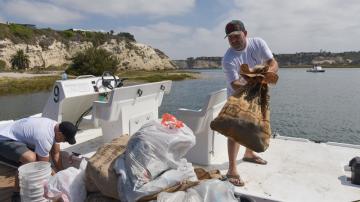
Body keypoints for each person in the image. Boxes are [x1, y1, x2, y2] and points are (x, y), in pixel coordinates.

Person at [222, 20, 279, 186]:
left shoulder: (258, 43)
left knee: (255, 124)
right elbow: (234, 84)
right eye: (230, 37)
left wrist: (267, 74)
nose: (234, 40)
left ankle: (249, 154)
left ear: (245, 33)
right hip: (237, 94)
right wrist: (255, 82)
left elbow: (273, 62)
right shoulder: (228, 59)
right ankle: (232, 170)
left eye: (237, 36)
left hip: (258, 90)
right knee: (234, 131)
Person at [0, 117, 77, 201]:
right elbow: (43, 166)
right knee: (31, 159)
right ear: (59, 134)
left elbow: (56, 154)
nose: (64, 142)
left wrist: (62, 173)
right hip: (4, 139)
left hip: (15, 135)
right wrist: (58, 180)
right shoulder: (44, 137)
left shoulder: (56, 126)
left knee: (37, 159)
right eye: (65, 140)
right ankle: (16, 193)